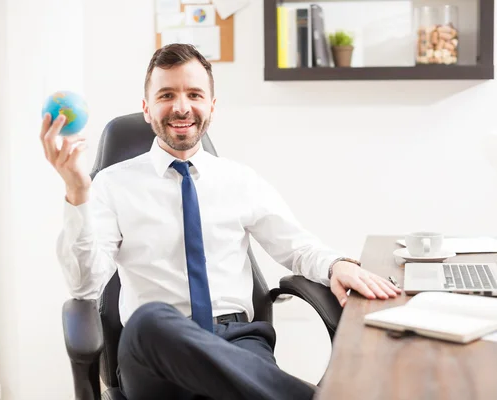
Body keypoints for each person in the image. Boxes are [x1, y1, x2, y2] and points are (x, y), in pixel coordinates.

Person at [41, 43, 401, 400]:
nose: (182, 106)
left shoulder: (239, 180)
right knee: (150, 321)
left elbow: (298, 246)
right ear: (147, 109)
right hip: (155, 352)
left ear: (211, 107)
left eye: (194, 94)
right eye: (166, 94)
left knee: (238, 366)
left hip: (236, 340)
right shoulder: (110, 184)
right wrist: (76, 193)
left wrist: (336, 264)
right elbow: (85, 286)